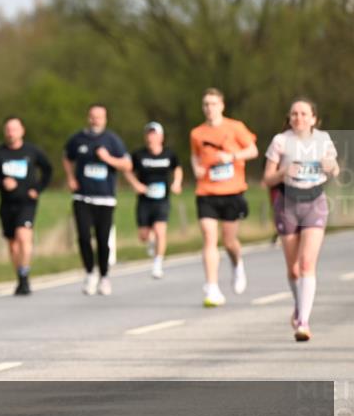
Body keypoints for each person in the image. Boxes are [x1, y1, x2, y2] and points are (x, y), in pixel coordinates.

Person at [262, 98, 339, 342]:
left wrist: (330, 166)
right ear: (290, 117)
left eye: (304, 114)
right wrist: (285, 172)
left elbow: (335, 169)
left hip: (315, 202)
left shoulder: (323, 140)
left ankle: (303, 322)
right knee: (293, 268)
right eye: (294, 114)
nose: (299, 118)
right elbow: (267, 179)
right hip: (287, 203)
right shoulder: (281, 141)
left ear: (313, 118)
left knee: (307, 264)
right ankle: (299, 304)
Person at [189, 88, 258, 307]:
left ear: (222, 105)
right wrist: (196, 168)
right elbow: (195, 155)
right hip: (206, 192)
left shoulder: (235, 127)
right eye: (206, 105)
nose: (209, 108)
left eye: (213, 104)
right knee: (209, 238)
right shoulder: (196, 133)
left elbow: (253, 150)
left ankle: (237, 265)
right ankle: (212, 287)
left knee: (229, 241)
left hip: (232, 191)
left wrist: (232, 156)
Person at [62, 103, 132, 296]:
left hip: (105, 198)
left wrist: (108, 159)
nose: (95, 120)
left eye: (99, 117)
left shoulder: (112, 140)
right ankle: (89, 272)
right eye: (93, 116)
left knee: (103, 239)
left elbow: (127, 165)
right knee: (83, 237)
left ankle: (104, 276)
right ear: (88, 117)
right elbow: (66, 157)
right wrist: (70, 177)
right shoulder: (78, 139)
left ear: (105, 119)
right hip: (82, 196)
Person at [0, 116, 53, 295]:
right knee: (12, 244)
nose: (11, 132)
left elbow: (48, 169)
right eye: (8, 129)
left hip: (27, 202)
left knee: (23, 236)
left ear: (22, 131)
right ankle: (20, 276)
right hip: (7, 203)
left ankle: (25, 275)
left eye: (14, 129)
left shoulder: (32, 151)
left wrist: (38, 189)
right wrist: (2, 183)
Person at [123, 122, 183, 279]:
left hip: (162, 200)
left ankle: (158, 264)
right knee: (144, 235)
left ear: (161, 137)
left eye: (154, 134)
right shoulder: (139, 155)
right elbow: (127, 171)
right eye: (149, 134)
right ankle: (150, 241)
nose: (151, 138)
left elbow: (177, 168)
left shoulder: (169, 154)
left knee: (160, 230)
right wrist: (136, 185)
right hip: (144, 200)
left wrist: (176, 183)